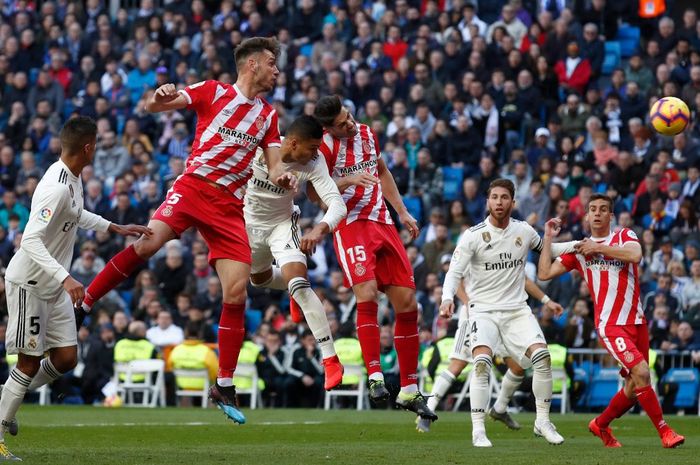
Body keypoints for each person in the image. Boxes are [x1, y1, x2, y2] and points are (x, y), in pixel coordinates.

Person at [75, 37, 296, 424]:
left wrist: (284, 176)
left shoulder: (268, 117)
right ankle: (86, 303)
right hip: (193, 187)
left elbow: (275, 164)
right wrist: (159, 96)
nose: (277, 70)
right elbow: (155, 105)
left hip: (229, 206)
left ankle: (223, 383)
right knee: (147, 245)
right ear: (252, 65)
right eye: (272, 63)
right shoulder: (213, 91)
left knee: (237, 289)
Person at [0, 116, 150, 461]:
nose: (96, 149)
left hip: (53, 285)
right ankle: (2, 423)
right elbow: (31, 240)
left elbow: (77, 213)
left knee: (66, 358)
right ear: (87, 147)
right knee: (27, 361)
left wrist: (115, 227)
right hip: (31, 283)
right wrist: (66, 277)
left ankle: (8, 396)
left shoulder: (73, 179)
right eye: (95, 144)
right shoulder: (54, 185)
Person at [314, 95, 437, 421]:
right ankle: (375, 377)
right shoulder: (324, 147)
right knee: (366, 294)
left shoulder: (367, 133)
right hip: (350, 225)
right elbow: (313, 191)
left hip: (383, 223)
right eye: (342, 124)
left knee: (408, 303)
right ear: (329, 128)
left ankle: (410, 389)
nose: (350, 124)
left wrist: (403, 211)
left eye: (349, 116)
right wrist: (347, 180)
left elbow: (381, 171)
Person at [538, 193, 685, 449]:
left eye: (603, 209)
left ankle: (601, 424)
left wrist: (599, 248)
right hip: (610, 324)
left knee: (632, 385)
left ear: (611, 216)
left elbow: (636, 255)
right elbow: (544, 273)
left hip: (637, 321)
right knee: (641, 372)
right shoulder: (579, 250)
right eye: (592, 209)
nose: (597, 213)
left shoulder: (624, 236)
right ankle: (665, 432)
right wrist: (549, 237)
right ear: (586, 215)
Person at [439, 178, 576, 447]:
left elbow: (549, 251)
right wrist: (447, 299)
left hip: (516, 310)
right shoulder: (473, 235)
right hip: (483, 311)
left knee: (543, 357)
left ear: (513, 202)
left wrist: (579, 244)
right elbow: (454, 272)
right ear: (487, 202)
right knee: (480, 364)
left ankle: (542, 421)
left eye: (504, 198)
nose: (499, 202)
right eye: (494, 197)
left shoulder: (524, 231)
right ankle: (478, 430)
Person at [244, 115, 346, 391]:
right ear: (292, 142)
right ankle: (291, 290)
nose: (316, 153)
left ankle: (330, 358)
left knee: (300, 283)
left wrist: (319, 229)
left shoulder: (313, 162)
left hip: (282, 224)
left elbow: (337, 204)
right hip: (249, 225)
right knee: (259, 280)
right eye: (312, 147)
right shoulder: (259, 149)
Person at [416, 278, 565, 433]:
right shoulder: (473, 253)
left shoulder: (511, 254)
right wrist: (468, 303)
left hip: (504, 314)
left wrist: (546, 300)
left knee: (518, 367)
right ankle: (427, 411)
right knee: (458, 364)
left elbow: (523, 279)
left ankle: (499, 408)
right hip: (476, 315)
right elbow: (456, 277)